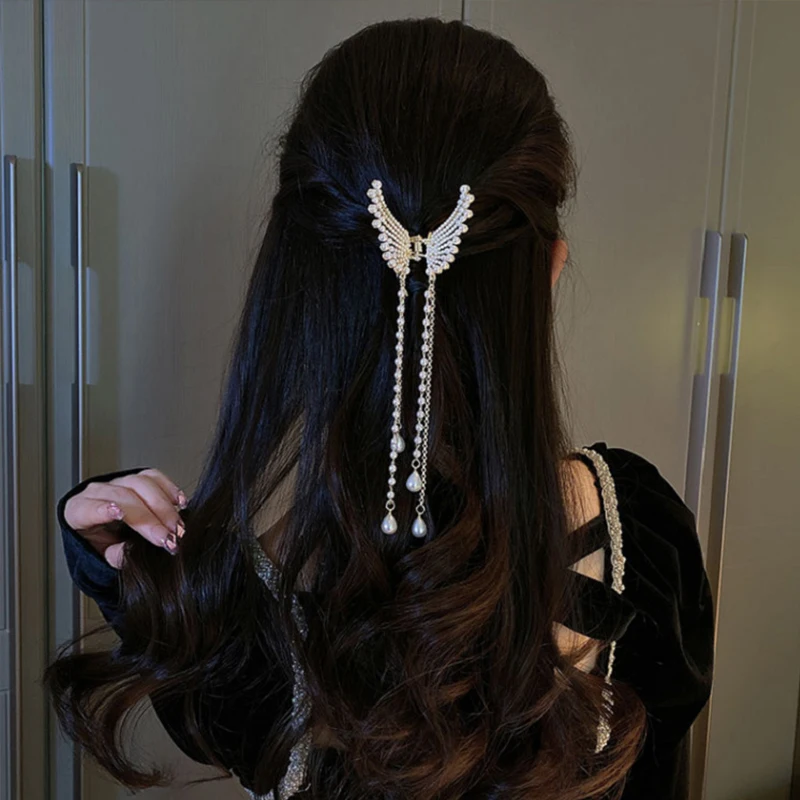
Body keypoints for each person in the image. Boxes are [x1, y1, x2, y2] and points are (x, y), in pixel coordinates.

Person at [45, 17, 714, 800]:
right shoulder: (644, 543)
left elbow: (201, 688)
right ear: (548, 272)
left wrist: (119, 561)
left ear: (296, 275)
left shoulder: (235, 600)